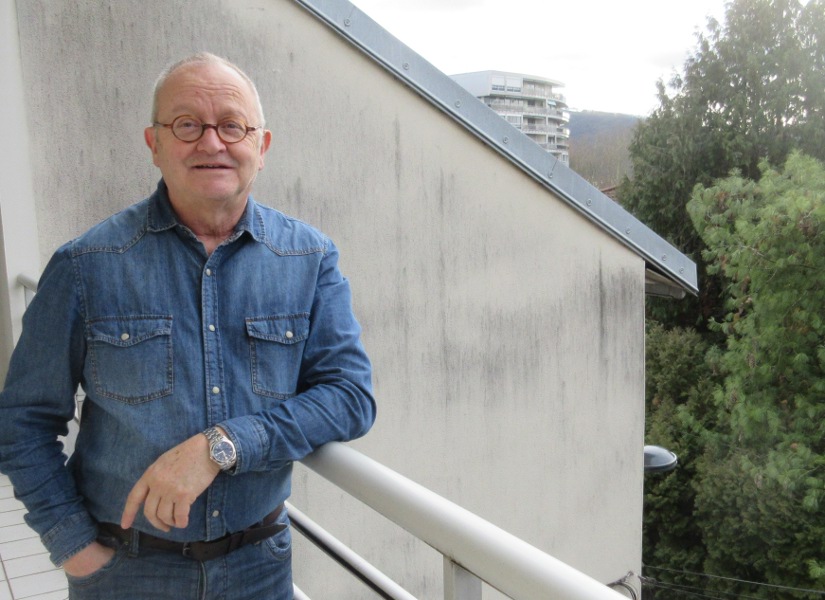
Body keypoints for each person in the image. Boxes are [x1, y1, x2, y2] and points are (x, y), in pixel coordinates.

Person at [0, 52, 376, 599]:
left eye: (232, 125)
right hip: (127, 574)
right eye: (186, 125)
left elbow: (350, 396)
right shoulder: (86, 265)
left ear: (261, 147)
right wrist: (73, 547)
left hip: (260, 569)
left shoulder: (309, 258)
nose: (211, 142)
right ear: (154, 144)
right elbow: (23, 422)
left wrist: (222, 444)